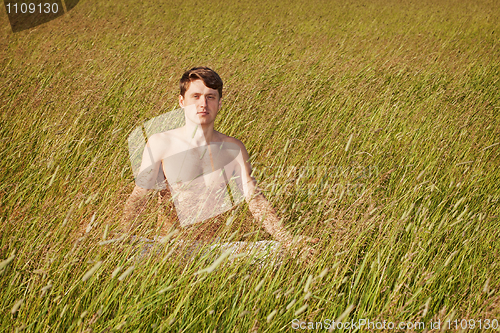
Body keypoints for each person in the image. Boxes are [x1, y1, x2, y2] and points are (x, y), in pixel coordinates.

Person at [121, 66, 317, 260]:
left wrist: (289, 241)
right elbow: (139, 196)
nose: (203, 104)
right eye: (195, 96)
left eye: (210, 97)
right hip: (171, 249)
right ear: (182, 101)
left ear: (219, 102)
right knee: (137, 252)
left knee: (280, 252)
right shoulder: (161, 143)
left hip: (217, 250)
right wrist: (124, 238)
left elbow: (255, 199)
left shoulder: (233, 148)